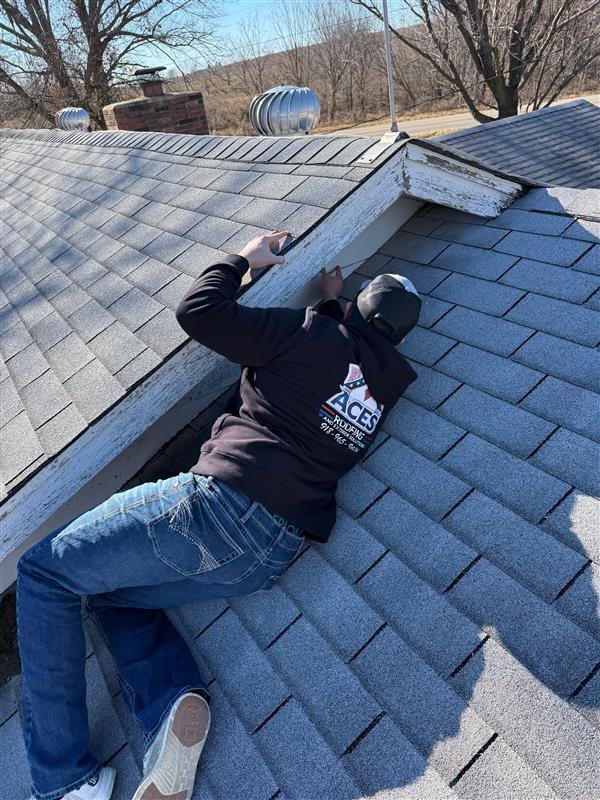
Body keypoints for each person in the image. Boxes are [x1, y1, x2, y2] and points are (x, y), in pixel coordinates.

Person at [15, 230, 421, 800]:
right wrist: (334, 304)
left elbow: (198, 312)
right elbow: (336, 366)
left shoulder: (311, 334)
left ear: (355, 309)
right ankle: (170, 705)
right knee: (107, 593)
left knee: (43, 574)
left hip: (214, 509)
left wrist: (243, 260)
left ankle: (63, 782)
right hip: (266, 556)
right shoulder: (379, 391)